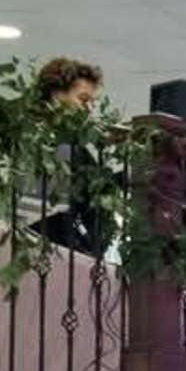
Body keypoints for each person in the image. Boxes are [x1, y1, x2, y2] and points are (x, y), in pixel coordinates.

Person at [27, 56, 115, 256]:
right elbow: (43, 216)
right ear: (56, 95)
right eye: (83, 99)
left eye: (92, 102)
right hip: (52, 255)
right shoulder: (42, 143)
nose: (89, 108)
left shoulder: (76, 147)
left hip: (72, 254)